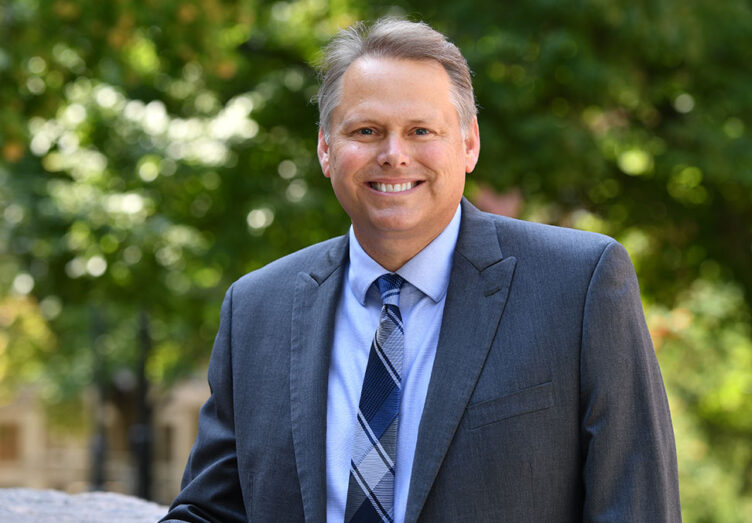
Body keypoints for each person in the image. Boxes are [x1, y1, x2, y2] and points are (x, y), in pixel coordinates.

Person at [161, 17, 681, 523]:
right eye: (366, 131)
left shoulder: (579, 285)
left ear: (469, 143)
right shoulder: (256, 310)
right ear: (325, 148)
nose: (393, 155)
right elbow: (213, 510)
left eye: (420, 130)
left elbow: (636, 506)